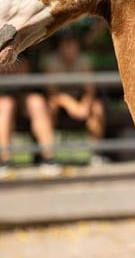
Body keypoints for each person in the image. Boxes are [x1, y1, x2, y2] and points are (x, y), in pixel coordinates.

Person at [0, 57, 60, 175]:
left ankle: (49, 159)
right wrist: (9, 71)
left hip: (21, 93)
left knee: (37, 102)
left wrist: (0, 72)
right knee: (6, 104)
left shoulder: (18, 42)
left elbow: (24, 71)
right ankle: (5, 162)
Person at [43, 29, 106, 164]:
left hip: (80, 101)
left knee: (97, 108)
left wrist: (85, 105)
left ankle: (95, 154)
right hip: (59, 103)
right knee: (47, 108)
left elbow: (90, 90)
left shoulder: (84, 61)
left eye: (73, 45)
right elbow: (52, 93)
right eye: (66, 45)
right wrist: (69, 104)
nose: (70, 49)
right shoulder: (51, 62)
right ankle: (49, 157)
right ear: (60, 47)